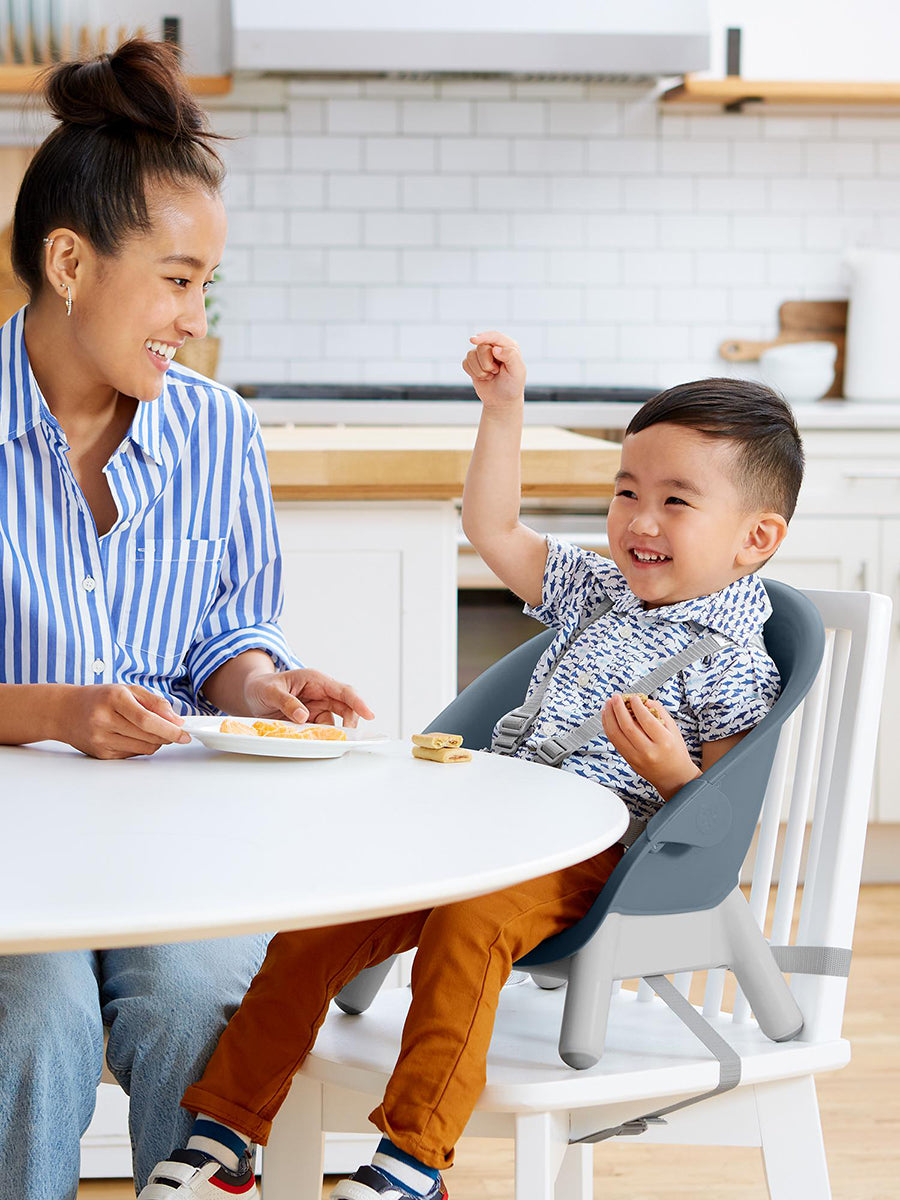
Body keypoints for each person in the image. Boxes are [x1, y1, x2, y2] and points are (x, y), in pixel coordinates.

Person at [137, 333, 804, 1200]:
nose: (639, 521)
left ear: (756, 537)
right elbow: (492, 528)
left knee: (468, 929)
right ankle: (225, 1133)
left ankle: (415, 1161)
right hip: (484, 822)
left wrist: (676, 772)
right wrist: (503, 411)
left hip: (588, 856)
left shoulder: (736, 658)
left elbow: (720, 825)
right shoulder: (602, 588)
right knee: (318, 922)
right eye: (627, 491)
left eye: (676, 502)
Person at [0, 40, 372, 1200]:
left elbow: (223, 634)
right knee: (34, 1013)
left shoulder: (215, 431)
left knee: (198, 998)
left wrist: (260, 681)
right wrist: (56, 711)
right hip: (13, 849)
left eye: (207, 284)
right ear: (70, 261)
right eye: (175, 278)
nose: (194, 317)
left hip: (171, 839)